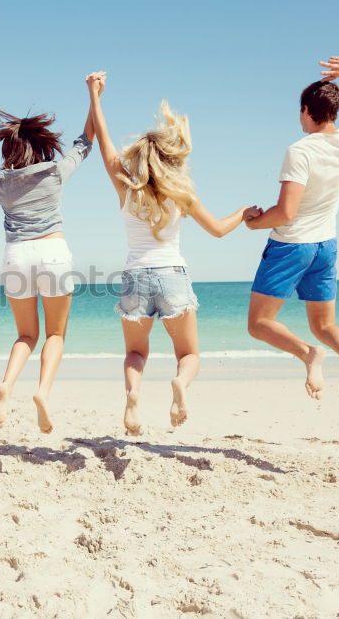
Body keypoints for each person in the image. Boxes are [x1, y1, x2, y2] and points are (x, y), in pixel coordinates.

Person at [86, 71, 261, 432]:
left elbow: (104, 142)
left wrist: (95, 96)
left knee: (135, 353)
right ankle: (180, 385)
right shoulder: (183, 193)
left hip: (135, 277)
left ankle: (133, 397)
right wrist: (243, 213)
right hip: (172, 277)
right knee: (189, 355)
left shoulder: (127, 188)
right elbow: (216, 230)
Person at [245, 57, 339, 414]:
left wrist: (254, 222)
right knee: (325, 325)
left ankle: (308, 353)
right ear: (334, 112)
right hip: (326, 246)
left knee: (259, 324)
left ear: (306, 111)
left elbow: (286, 212)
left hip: (291, 246)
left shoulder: (300, 150)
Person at [0, 100, 95, 433]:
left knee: (26, 334)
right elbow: (85, 143)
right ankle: (43, 392)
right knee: (56, 334)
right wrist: (94, 98)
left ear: (10, 149)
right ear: (41, 144)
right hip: (53, 252)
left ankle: (6, 386)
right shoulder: (56, 172)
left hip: (17, 256)